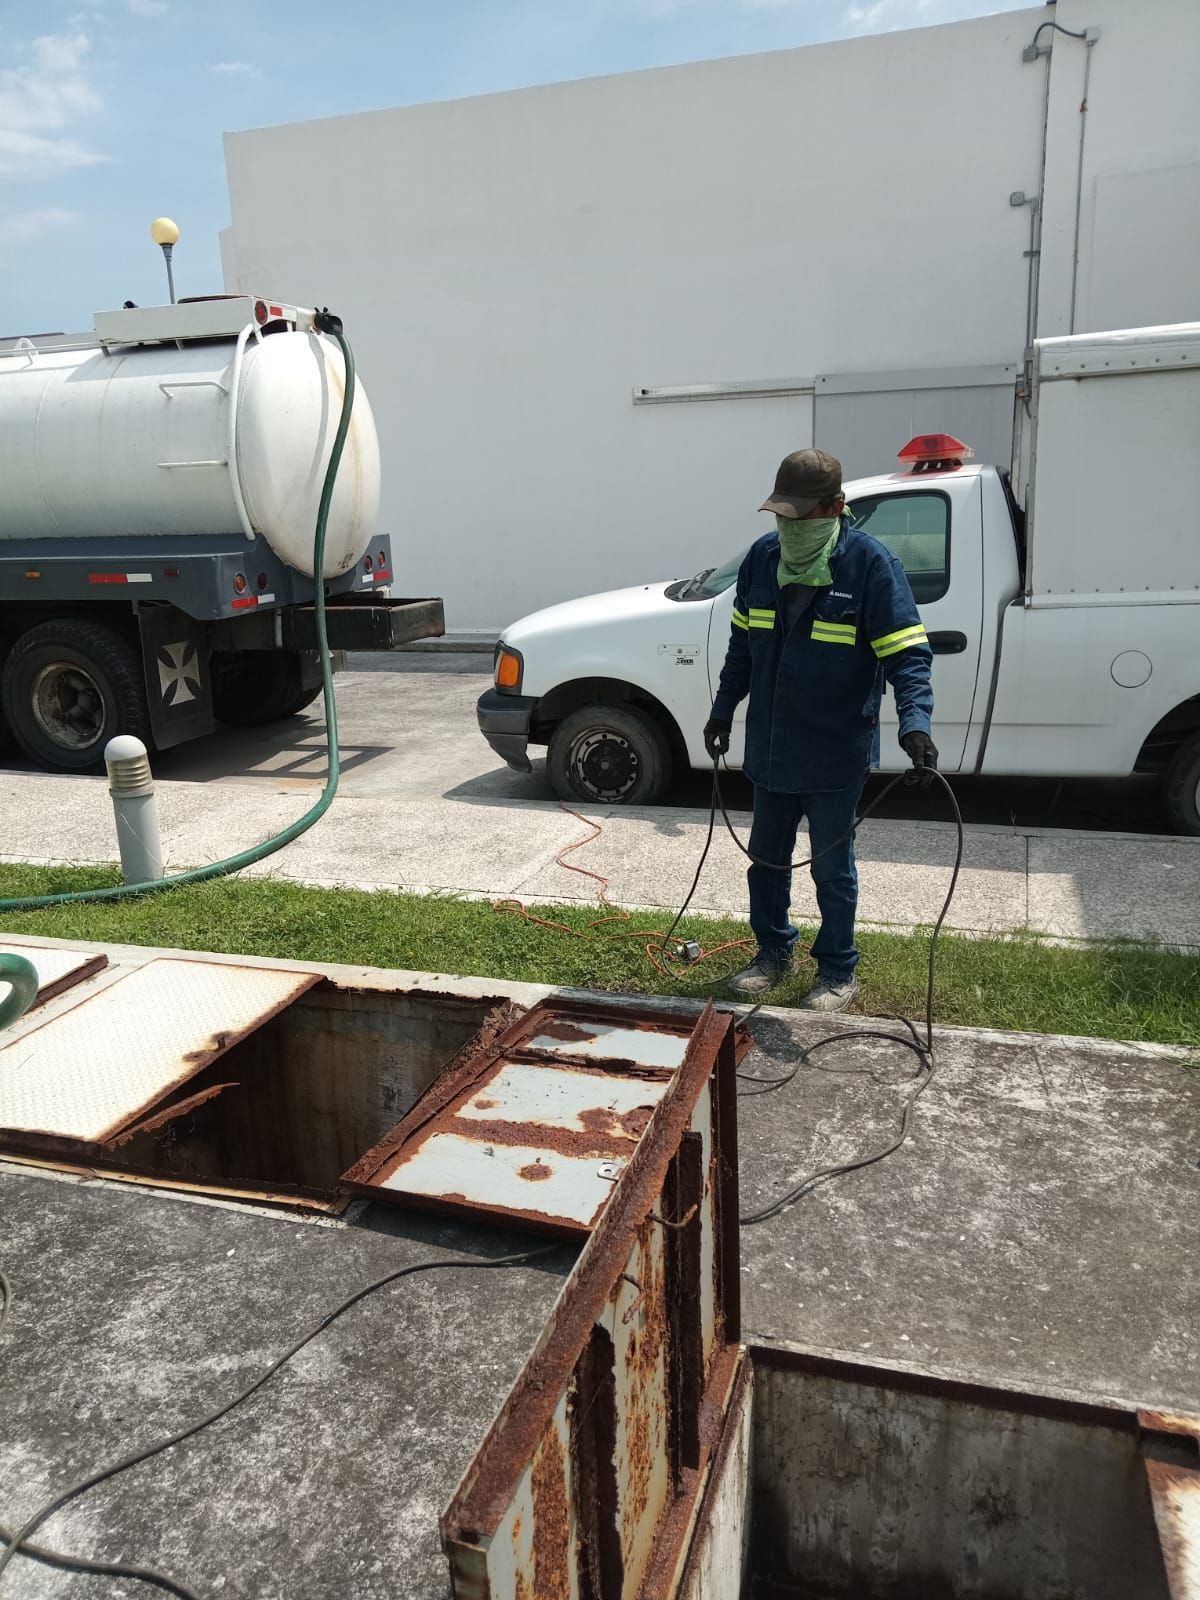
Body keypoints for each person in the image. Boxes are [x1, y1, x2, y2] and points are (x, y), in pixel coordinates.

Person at [704, 448, 937, 1010]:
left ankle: (836, 969)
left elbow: (907, 656)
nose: (787, 527)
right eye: (780, 515)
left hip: (835, 752)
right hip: (771, 747)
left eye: (799, 516)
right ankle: (772, 951)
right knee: (767, 862)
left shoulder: (870, 566)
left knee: (833, 871)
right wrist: (723, 708)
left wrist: (916, 726)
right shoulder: (763, 560)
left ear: (835, 508)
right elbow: (743, 646)